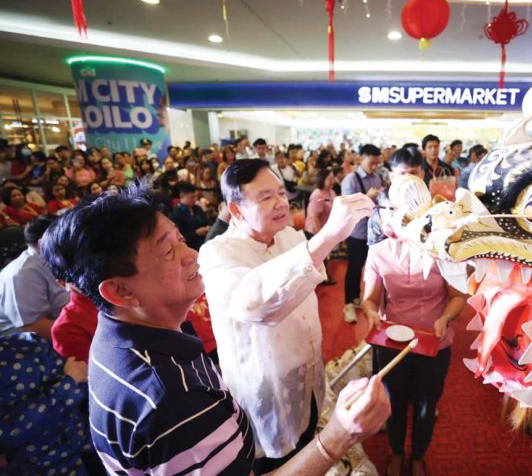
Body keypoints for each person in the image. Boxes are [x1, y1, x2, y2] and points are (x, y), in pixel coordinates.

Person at [39, 184, 390, 475]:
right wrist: (338, 436)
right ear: (120, 290)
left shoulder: (119, 334)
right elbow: (259, 301)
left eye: (179, 239)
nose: (191, 254)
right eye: (167, 251)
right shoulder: (171, 399)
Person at [199, 159, 378, 474]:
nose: (281, 203)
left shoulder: (290, 237)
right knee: (278, 461)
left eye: (281, 193)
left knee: (310, 442)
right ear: (236, 209)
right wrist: (329, 237)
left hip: (307, 376)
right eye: (265, 197)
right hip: (266, 392)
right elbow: (258, 304)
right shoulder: (217, 253)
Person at [362, 147, 467, 476]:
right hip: (392, 339)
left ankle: (418, 455)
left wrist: (445, 317)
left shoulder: (441, 249)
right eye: (397, 214)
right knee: (393, 401)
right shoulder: (379, 251)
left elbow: (457, 295)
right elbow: (368, 298)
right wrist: (371, 314)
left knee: (425, 406)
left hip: (435, 341)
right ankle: (395, 452)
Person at [0, 332, 94, 475]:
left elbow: (80, 373)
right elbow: (8, 433)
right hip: (43, 468)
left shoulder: (24, 342)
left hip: (88, 445)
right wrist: (69, 384)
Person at [0, 214, 68, 338]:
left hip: (66, 325)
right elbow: (33, 325)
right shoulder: (23, 274)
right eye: (65, 237)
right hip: (26, 345)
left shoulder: (54, 259)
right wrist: (84, 337)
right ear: (43, 242)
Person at [340, 144, 382, 323]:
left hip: (375, 231)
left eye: (377, 163)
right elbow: (347, 207)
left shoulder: (378, 177)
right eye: (371, 163)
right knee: (354, 268)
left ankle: (357, 298)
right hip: (357, 231)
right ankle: (348, 304)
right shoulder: (350, 179)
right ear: (361, 158)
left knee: (372, 268)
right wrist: (368, 196)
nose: (374, 166)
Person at [305, 168, 337, 285]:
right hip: (315, 229)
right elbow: (314, 217)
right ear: (322, 180)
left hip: (326, 228)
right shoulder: (317, 194)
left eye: (333, 177)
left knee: (324, 254)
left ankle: (322, 276)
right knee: (320, 254)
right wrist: (320, 236)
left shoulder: (332, 193)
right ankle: (322, 277)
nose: (333, 180)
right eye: (330, 178)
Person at [170, 182, 210, 250]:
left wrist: (208, 227)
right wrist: (196, 233)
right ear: (182, 196)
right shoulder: (175, 214)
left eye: (196, 196)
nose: (195, 199)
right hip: (189, 248)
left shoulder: (198, 209)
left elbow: (206, 222)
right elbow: (177, 238)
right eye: (192, 197)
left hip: (205, 243)